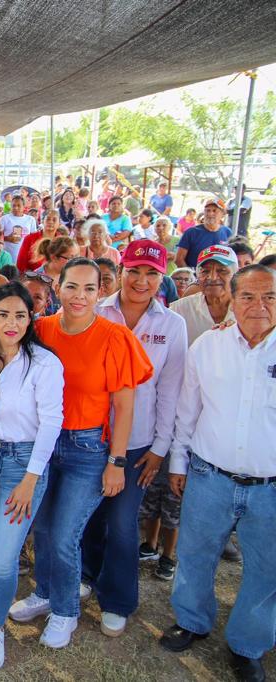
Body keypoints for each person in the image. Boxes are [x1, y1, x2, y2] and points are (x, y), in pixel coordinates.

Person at [9, 257, 152, 649]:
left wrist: (116, 461)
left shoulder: (115, 337)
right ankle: (44, 591)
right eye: (73, 286)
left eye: (90, 288)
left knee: (64, 534)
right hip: (43, 443)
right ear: (59, 286)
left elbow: (124, 407)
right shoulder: (40, 330)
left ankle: (66, 610)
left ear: (101, 291)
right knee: (40, 525)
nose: (80, 296)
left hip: (88, 448)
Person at [157, 264, 275, 680]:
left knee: (267, 568)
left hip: (270, 487)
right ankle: (191, 620)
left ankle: (248, 645)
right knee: (195, 554)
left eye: (270, 297)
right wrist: (178, 461)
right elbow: (187, 410)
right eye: (248, 296)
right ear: (232, 298)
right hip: (209, 475)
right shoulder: (208, 345)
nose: (258, 306)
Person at [81, 241, 187, 638]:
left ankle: (119, 599)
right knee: (87, 514)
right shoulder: (95, 308)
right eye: (135, 271)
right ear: (121, 269)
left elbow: (170, 390)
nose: (142, 281)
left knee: (124, 524)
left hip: (139, 442)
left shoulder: (172, 324)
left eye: (152, 274)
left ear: (163, 278)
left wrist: (160, 448)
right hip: (90, 434)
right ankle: (87, 575)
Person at [0, 283, 63, 670]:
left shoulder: (44, 364)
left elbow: (52, 423)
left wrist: (30, 479)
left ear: (30, 319)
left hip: (23, 462)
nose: (12, 322)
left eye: (20, 315)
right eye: (3, 314)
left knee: (5, 556)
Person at [170, 245, 237, 344]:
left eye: (222, 271)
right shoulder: (179, 309)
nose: (212, 277)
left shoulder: (248, 309)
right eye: (205, 271)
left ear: (235, 275)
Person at [176, 199, 231, 269]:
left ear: (222, 214)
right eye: (208, 210)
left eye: (214, 211)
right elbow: (179, 260)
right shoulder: (191, 232)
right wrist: (192, 276)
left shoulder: (227, 233)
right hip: (195, 277)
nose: (210, 214)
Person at [0, 192, 37, 263]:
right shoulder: (4, 219)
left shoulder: (30, 219)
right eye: (13, 205)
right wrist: (7, 238)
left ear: (24, 206)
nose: (16, 208)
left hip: (25, 257)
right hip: (7, 258)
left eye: (19, 205)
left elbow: (34, 239)